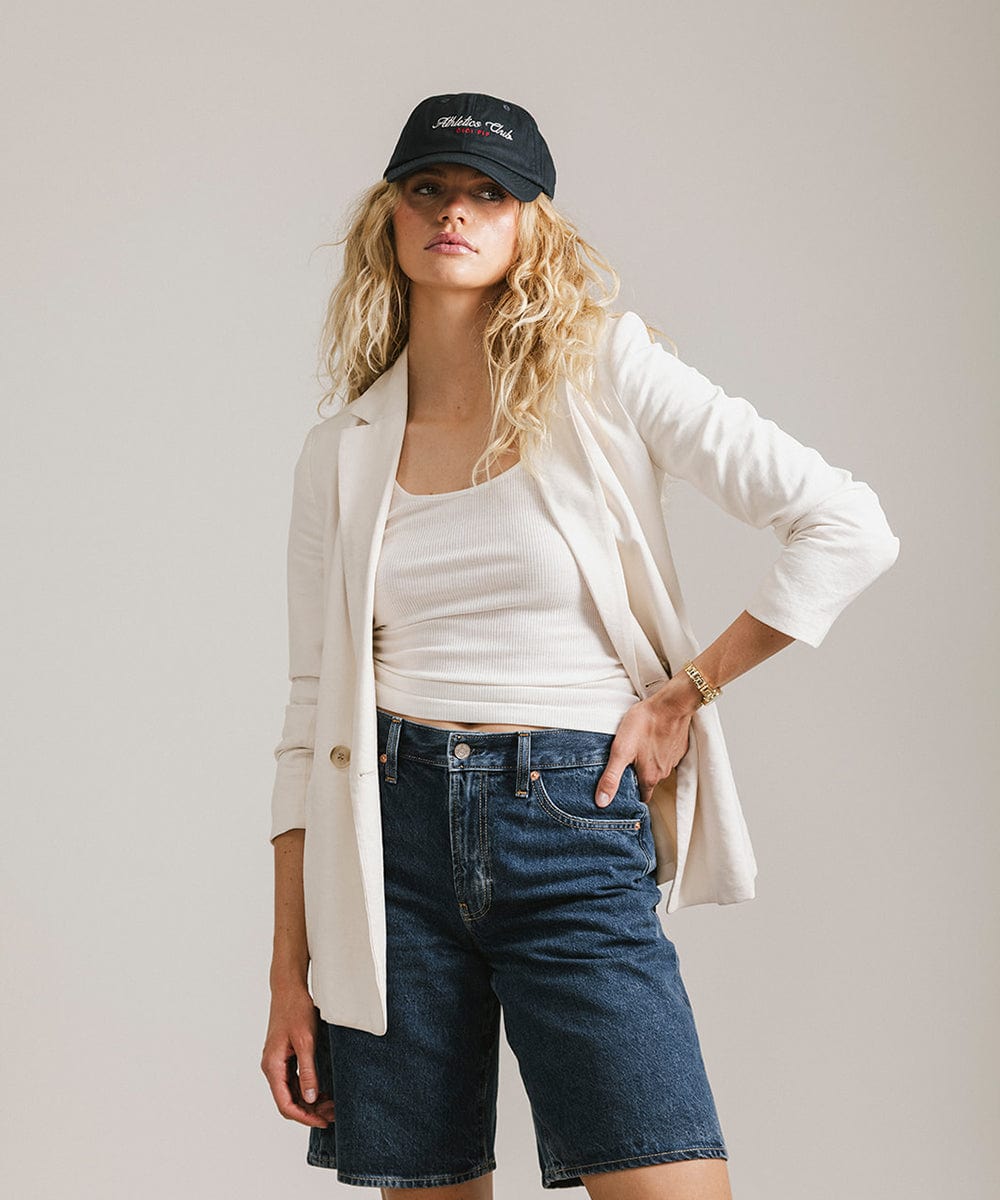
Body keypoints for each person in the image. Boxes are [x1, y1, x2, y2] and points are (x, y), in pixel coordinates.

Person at [260, 92, 900, 1199]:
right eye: (428, 189)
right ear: (390, 218)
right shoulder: (343, 447)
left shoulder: (604, 371)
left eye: (487, 193)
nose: (453, 212)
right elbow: (309, 714)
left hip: (565, 818)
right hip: (390, 845)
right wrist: (288, 975)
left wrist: (685, 691)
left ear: (528, 224)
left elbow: (847, 524)